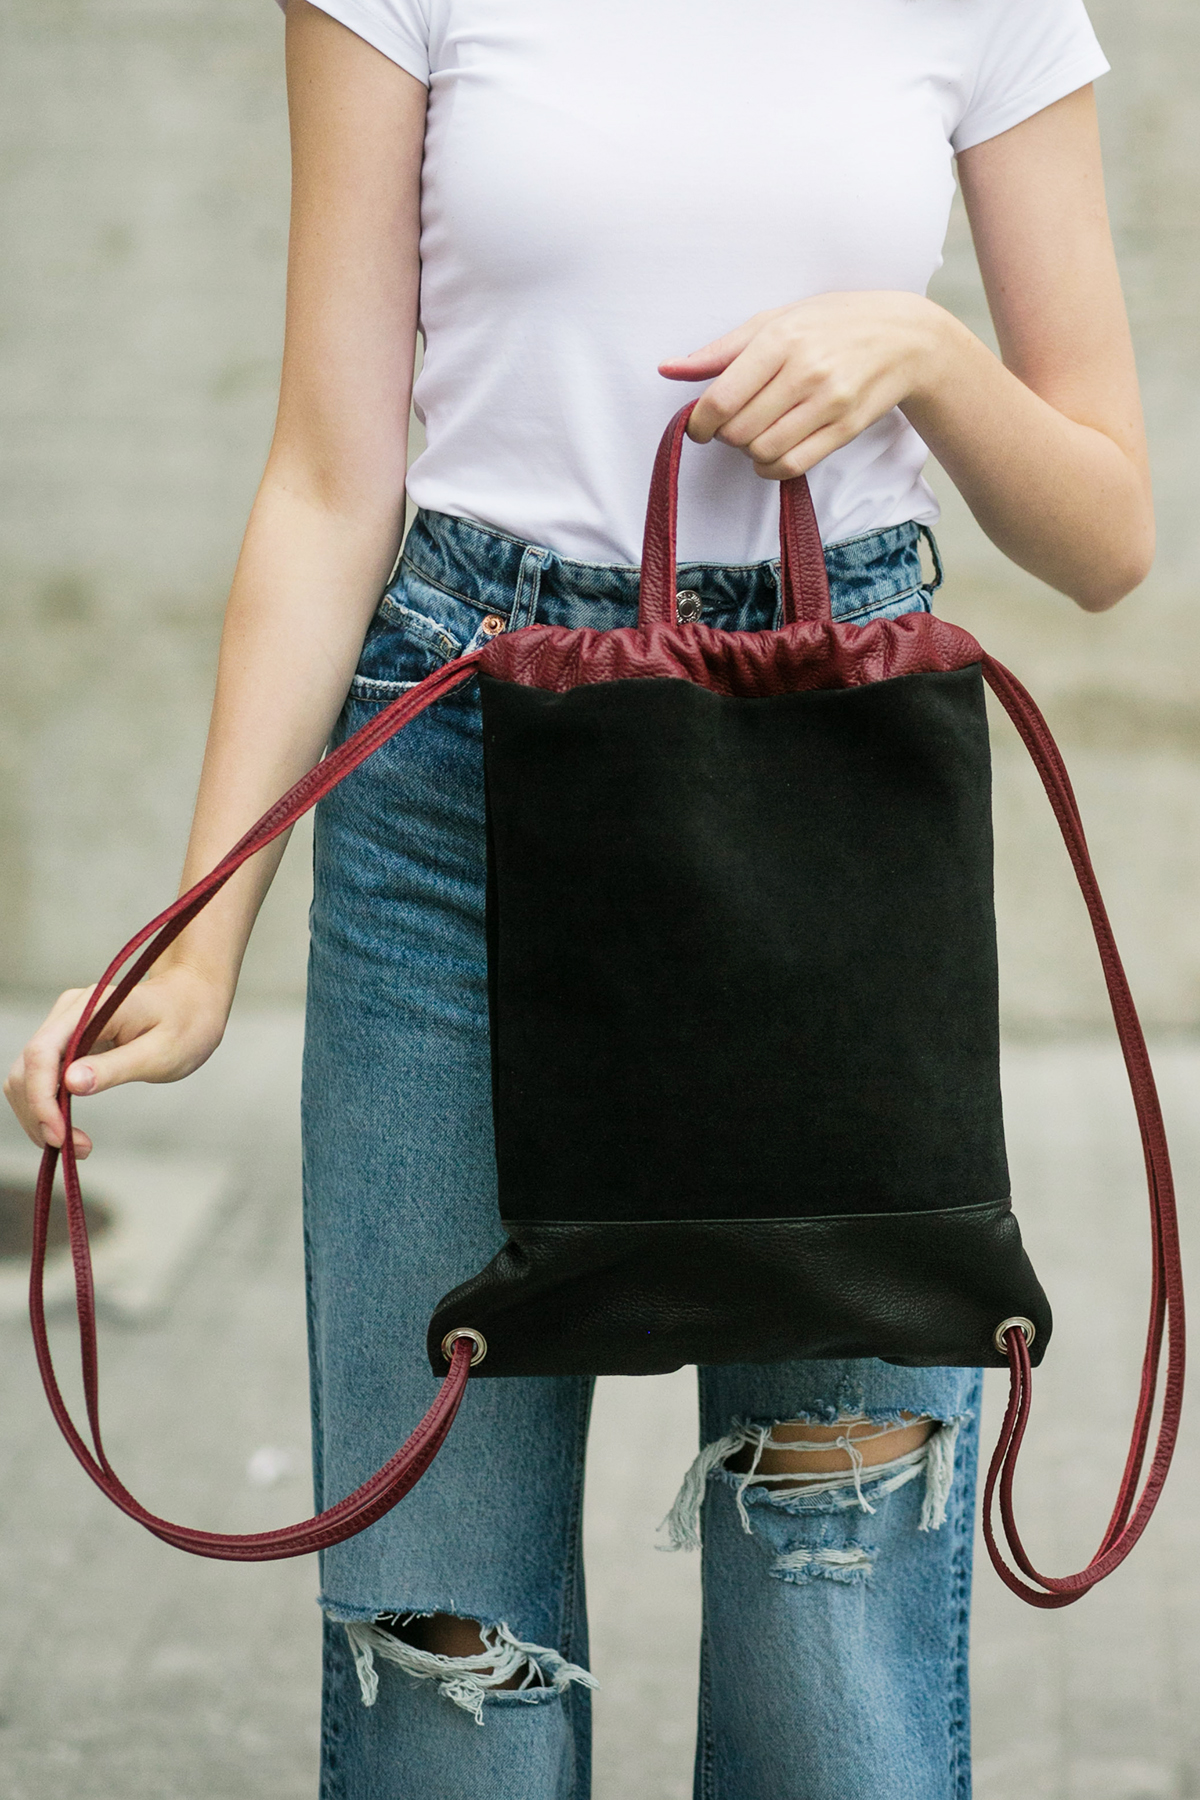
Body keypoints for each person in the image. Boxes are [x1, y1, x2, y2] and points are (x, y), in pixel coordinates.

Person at [5, 0, 1151, 1794]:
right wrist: (204, 934)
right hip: (452, 803)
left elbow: (1108, 529)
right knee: (435, 1647)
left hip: (825, 800)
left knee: (834, 1640)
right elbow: (329, 474)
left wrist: (928, 353)